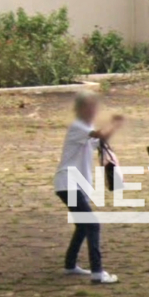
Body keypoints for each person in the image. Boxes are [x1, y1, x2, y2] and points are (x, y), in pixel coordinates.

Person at [54, 91, 124, 284]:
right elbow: (100, 134)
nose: (95, 110)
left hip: (74, 184)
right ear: (82, 108)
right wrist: (115, 122)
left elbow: (101, 140)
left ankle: (70, 265)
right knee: (92, 224)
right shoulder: (77, 126)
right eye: (92, 107)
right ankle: (97, 272)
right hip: (68, 183)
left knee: (83, 226)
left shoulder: (85, 127)